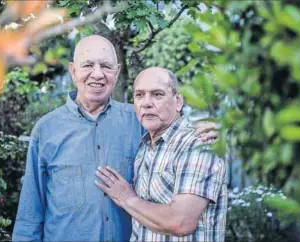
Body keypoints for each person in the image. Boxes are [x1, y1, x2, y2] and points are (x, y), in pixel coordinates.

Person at [12, 35, 217, 241]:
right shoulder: (47, 129)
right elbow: (30, 214)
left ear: (117, 72)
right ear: (73, 71)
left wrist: (204, 129)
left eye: (106, 66)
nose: (98, 74)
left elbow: (175, 131)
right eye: (88, 65)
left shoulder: (140, 121)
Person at [96, 67, 228, 241]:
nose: (146, 103)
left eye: (157, 94)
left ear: (178, 101)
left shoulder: (197, 144)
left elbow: (181, 222)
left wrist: (127, 198)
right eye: (139, 95)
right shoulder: (145, 147)